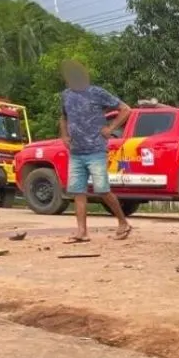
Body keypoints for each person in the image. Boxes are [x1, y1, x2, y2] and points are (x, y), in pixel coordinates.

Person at [59, 60, 132, 242]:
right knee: (78, 192)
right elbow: (64, 117)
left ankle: (123, 223)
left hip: (96, 150)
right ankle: (82, 232)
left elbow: (125, 109)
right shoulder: (66, 95)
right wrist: (64, 136)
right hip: (76, 152)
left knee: (102, 190)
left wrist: (111, 128)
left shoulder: (97, 93)